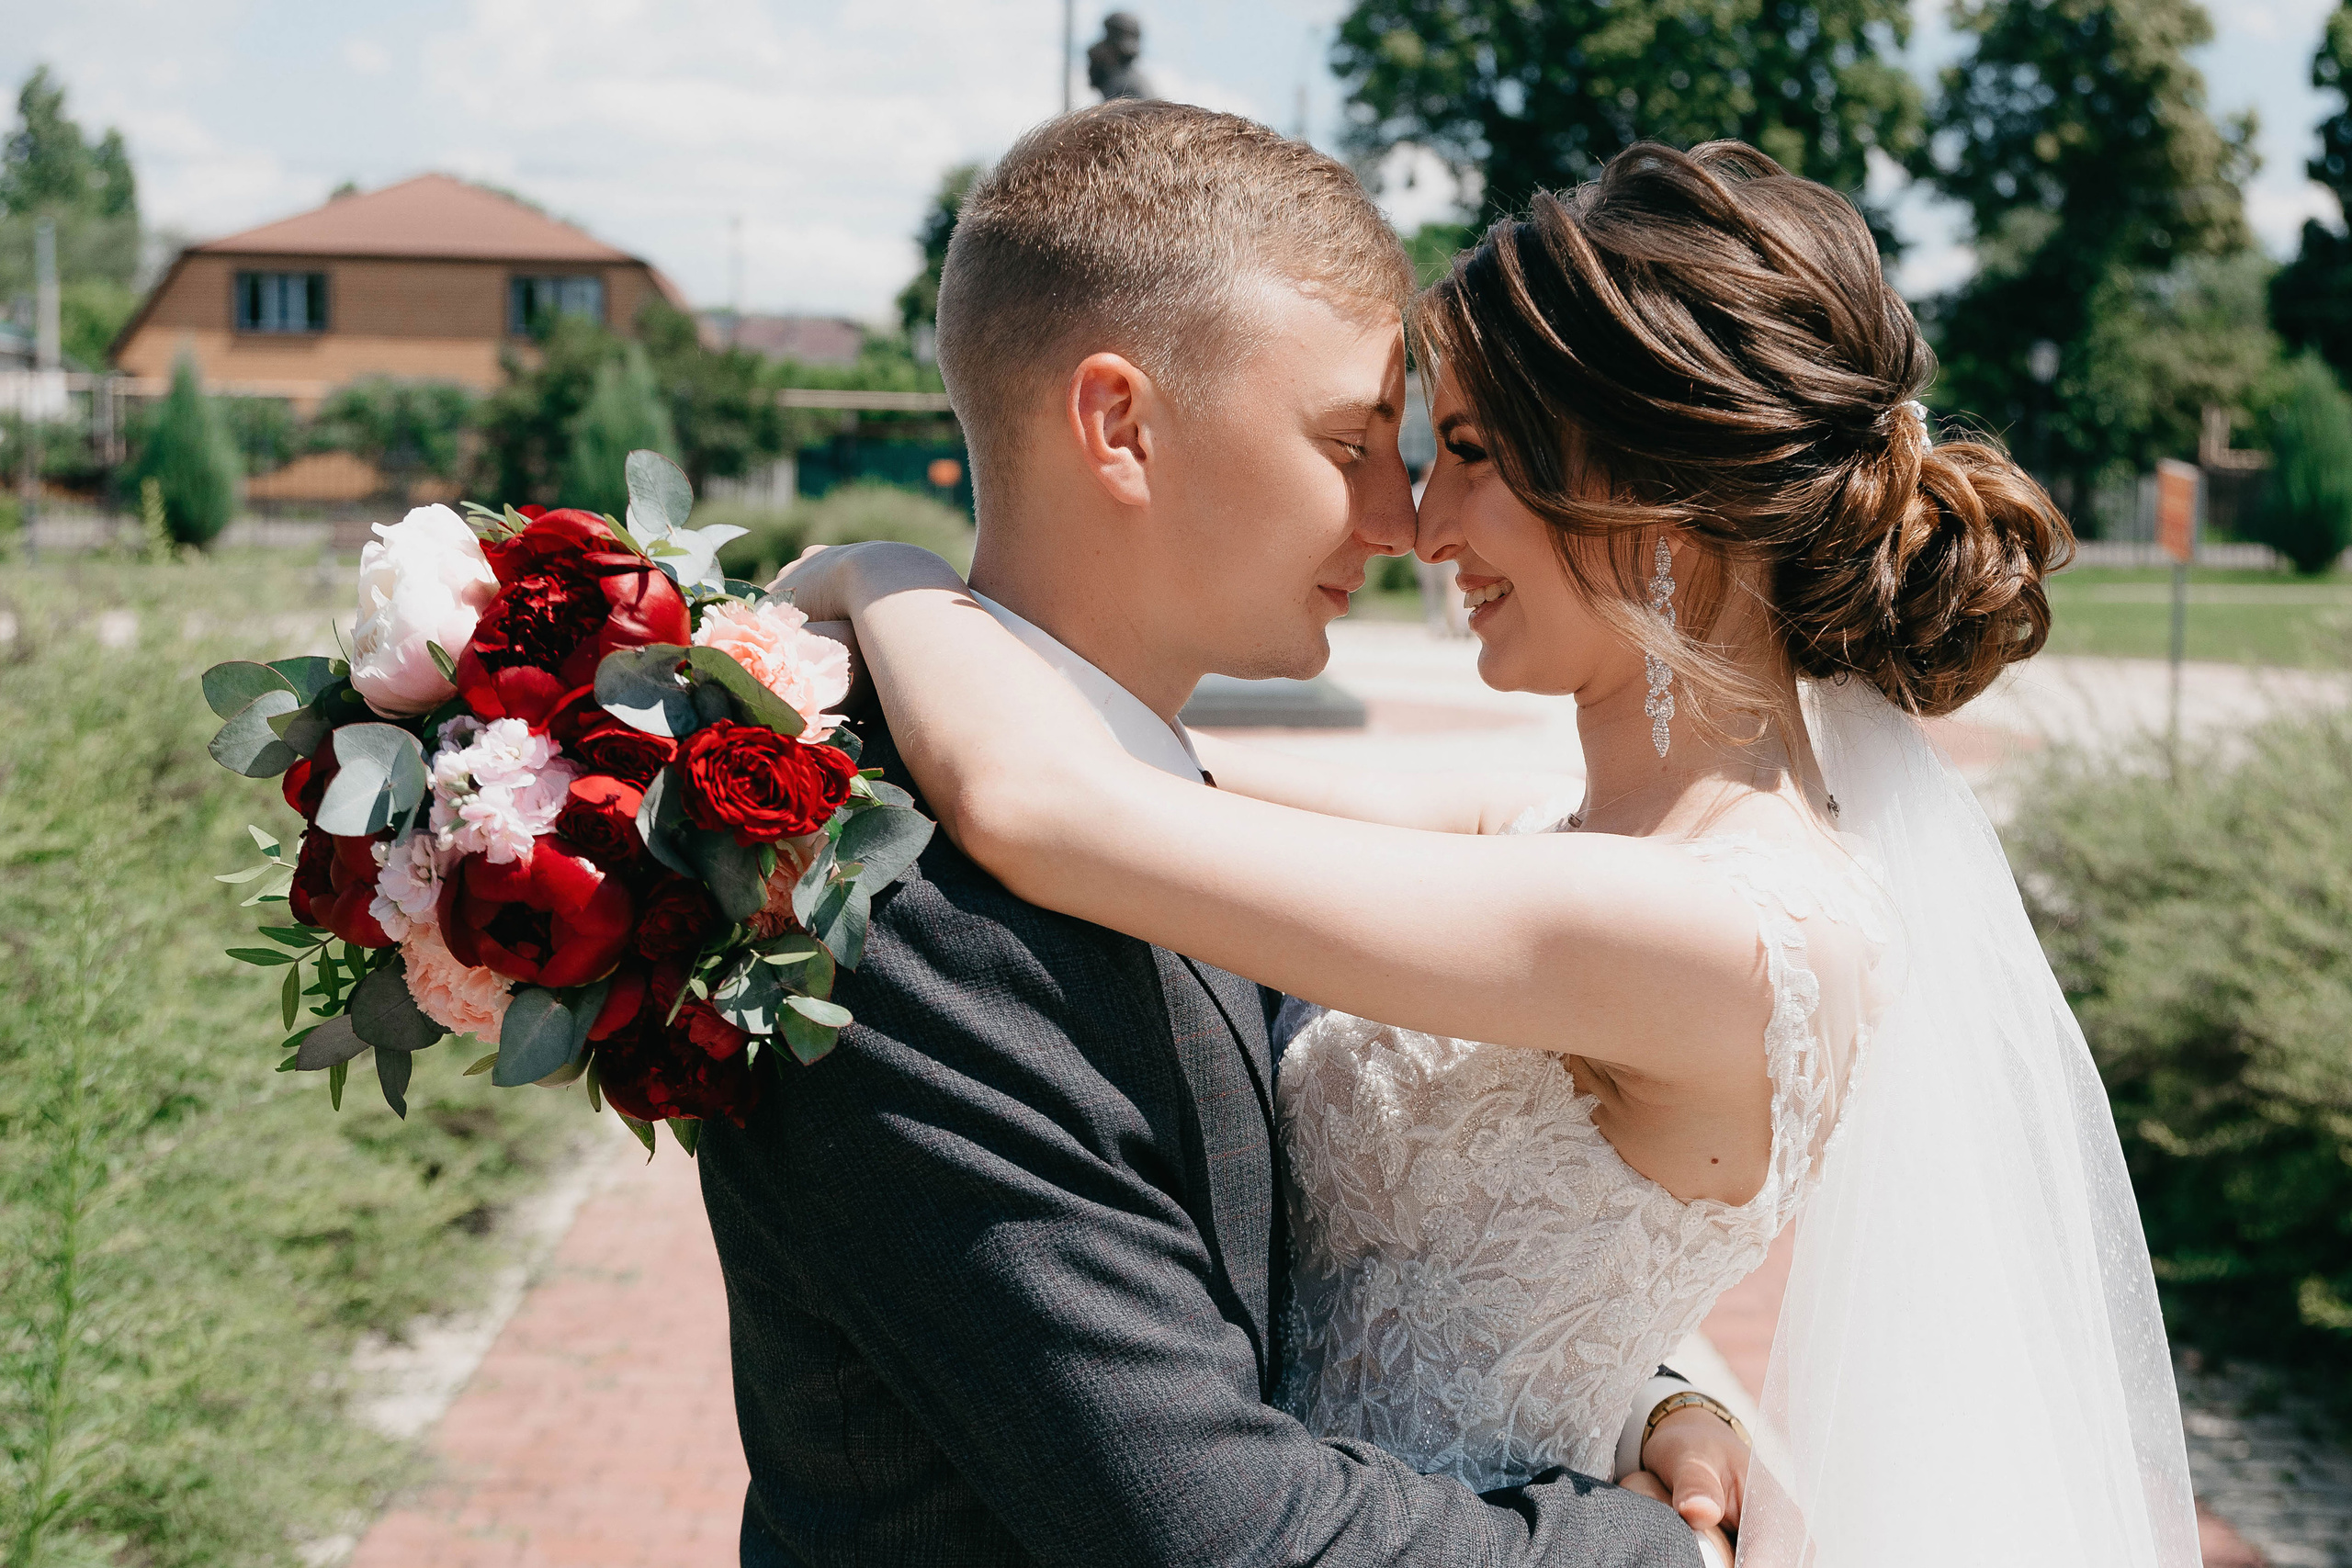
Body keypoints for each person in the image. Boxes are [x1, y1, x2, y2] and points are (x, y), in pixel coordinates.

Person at [777, 138, 2206, 1566]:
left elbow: (1046, 805)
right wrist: (1658, 1395)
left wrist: (874, 573)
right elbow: (1156, 775)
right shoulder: (1538, 837)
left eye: (1466, 453)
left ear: (1655, 489)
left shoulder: (1707, 925)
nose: (1418, 523)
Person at [699, 102, 1745, 1568]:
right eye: (1348, 443)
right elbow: (1219, 1531)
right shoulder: (909, 906)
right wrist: (1652, 1550)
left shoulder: (1163, 810)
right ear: (1120, 428)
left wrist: (1637, 1387)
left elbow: (1346, 1241)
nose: (1400, 521)